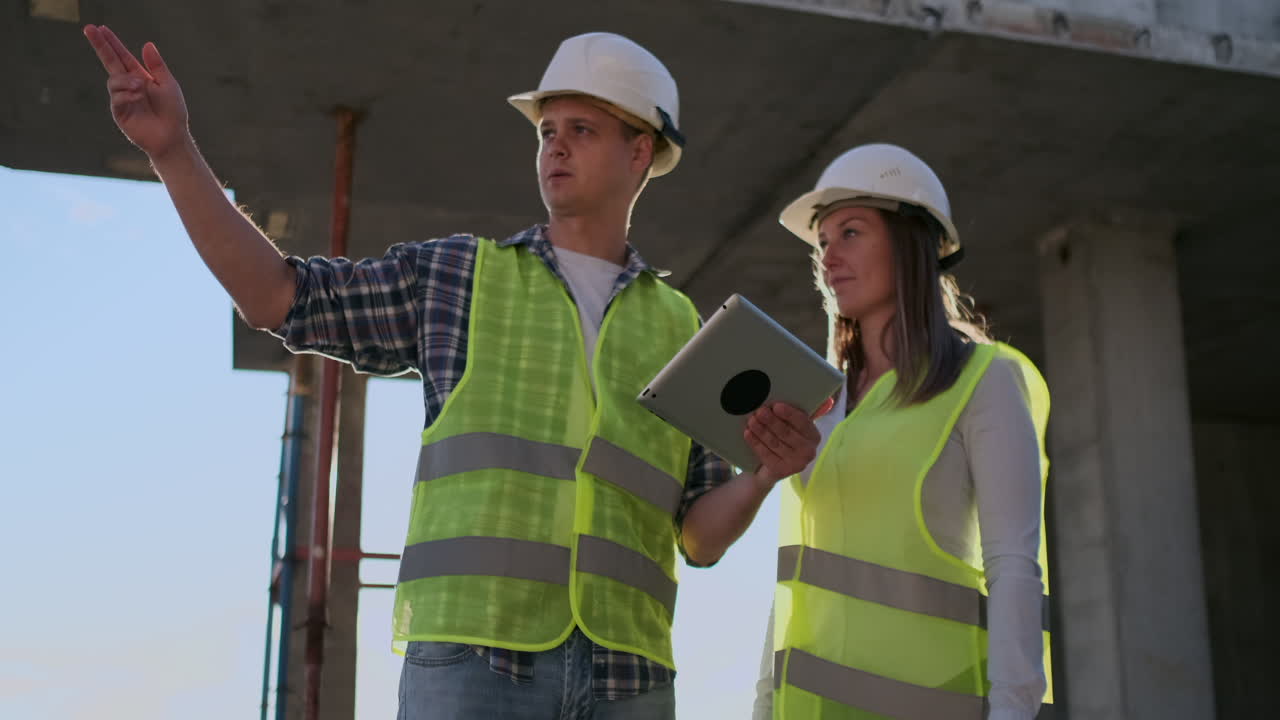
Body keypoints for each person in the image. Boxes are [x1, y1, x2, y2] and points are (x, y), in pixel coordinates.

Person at [83, 26, 826, 720]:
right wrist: (173, 151)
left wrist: (763, 474)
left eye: (582, 130)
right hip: (474, 664)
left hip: (629, 678)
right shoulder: (457, 277)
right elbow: (278, 296)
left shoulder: (680, 328)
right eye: (547, 131)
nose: (554, 148)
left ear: (641, 153)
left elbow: (698, 538)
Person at [753, 144, 1054, 720]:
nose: (828, 258)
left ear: (911, 242)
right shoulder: (823, 401)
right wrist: (763, 706)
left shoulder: (984, 381)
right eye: (821, 243)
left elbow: (1014, 566)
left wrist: (1014, 713)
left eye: (851, 233)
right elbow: (800, 572)